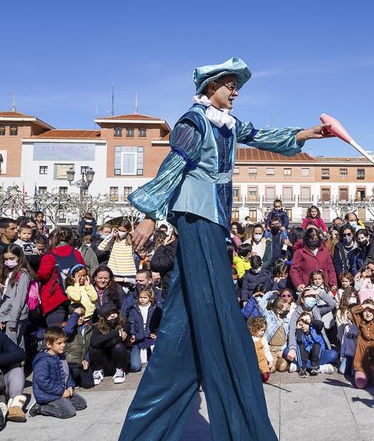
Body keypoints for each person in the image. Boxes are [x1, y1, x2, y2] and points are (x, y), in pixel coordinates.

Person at [120, 57, 330, 441]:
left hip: (212, 220)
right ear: (210, 86)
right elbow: (174, 164)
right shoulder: (194, 121)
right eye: (229, 84)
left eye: (237, 86)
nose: (235, 91)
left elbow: (264, 136)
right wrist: (150, 214)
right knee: (216, 307)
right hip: (196, 217)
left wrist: (309, 133)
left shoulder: (228, 124)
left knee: (187, 317)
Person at [29, 326, 87, 419]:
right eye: (59, 343)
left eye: (64, 342)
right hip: (48, 394)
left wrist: (70, 386)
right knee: (69, 412)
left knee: (81, 404)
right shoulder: (43, 361)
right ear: (49, 344)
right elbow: (43, 382)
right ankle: (39, 408)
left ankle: (63, 403)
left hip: (62, 390)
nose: (63, 345)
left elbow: (67, 374)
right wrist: (61, 392)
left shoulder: (61, 356)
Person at [38, 227, 85, 328]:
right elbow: (83, 271)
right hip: (75, 295)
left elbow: (43, 275)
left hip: (55, 296)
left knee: (55, 330)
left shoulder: (50, 255)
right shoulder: (76, 253)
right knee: (74, 327)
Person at [0, 245, 34, 349]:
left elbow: (19, 300)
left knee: (13, 346)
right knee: (17, 342)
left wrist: (13, 319)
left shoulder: (23, 274)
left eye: (12, 258)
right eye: (6, 259)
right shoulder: (8, 272)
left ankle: (17, 365)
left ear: (19, 257)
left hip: (15, 316)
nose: (8, 261)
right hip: (7, 314)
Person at [90, 302, 131, 385]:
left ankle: (120, 370)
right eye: (109, 314)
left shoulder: (125, 324)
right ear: (104, 317)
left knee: (118, 346)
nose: (112, 315)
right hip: (104, 359)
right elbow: (94, 342)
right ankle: (98, 371)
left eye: (114, 313)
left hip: (119, 358)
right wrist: (115, 333)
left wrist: (102, 342)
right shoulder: (98, 326)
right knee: (94, 349)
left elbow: (120, 339)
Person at [289, 228, 337, 292]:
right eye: (311, 239)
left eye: (316, 239)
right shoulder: (300, 252)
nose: (314, 241)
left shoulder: (324, 251)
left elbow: (330, 268)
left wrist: (333, 283)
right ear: (306, 239)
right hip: (307, 287)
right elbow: (294, 270)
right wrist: (299, 283)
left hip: (324, 287)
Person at [126, 287, 162, 373]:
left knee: (155, 349)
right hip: (139, 336)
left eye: (145, 297)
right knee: (138, 364)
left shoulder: (155, 308)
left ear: (150, 298)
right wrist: (132, 334)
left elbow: (159, 322)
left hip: (151, 335)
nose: (142, 299)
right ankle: (143, 366)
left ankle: (157, 365)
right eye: (140, 297)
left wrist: (156, 333)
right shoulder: (134, 309)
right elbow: (132, 323)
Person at [62, 304, 94, 389]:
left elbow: (91, 346)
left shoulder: (88, 328)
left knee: (88, 384)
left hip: (82, 363)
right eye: (77, 316)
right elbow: (67, 331)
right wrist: (74, 315)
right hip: (69, 363)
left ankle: (77, 380)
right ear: (70, 317)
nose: (80, 318)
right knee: (74, 374)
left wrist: (87, 359)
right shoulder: (65, 328)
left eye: (82, 315)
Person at [247, 316, 273, 382]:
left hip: (262, 362)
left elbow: (266, 351)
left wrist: (270, 360)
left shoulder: (263, 340)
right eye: (261, 330)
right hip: (253, 362)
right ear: (254, 329)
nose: (263, 332)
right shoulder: (250, 339)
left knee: (265, 377)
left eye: (264, 330)